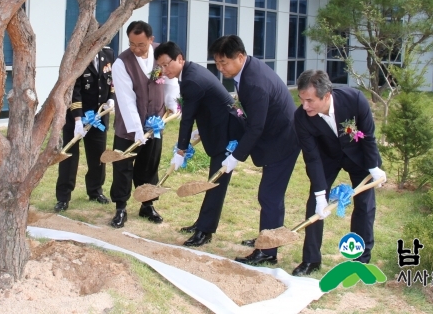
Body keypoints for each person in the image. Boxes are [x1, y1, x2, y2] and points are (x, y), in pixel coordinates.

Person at [210, 35, 300, 266]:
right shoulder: (247, 70)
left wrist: (235, 157)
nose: (220, 69)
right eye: (217, 63)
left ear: (240, 57)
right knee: (270, 196)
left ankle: (268, 252)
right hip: (276, 136)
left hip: (283, 140)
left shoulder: (254, 82)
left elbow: (256, 126)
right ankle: (267, 237)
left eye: (224, 63)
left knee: (269, 195)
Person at [292, 69, 386, 276]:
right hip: (326, 158)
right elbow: (312, 157)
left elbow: (368, 136)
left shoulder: (354, 100)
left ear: (326, 96)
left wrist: (373, 167)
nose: (304, 105)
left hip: (358, 156)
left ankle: (360, 260)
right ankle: (311, 260)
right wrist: (319, 194)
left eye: (309, 100)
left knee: (364, 205)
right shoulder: (301, 117)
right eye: (301, 99)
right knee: (314, 205)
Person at [154, 41, 245, 247]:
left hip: (227, 132)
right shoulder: (189, 73)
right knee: (213, 180)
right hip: (216, 127)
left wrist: (181, 150)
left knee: (215, 181)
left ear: (180, 59)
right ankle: (201, 223)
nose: (164, 70)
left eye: (166, 64)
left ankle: (205, 231)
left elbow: (187, 118)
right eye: (160, 66)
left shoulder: (191, 80)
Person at [109, 21, 179, 228]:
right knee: (122, 166)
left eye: (140, 44)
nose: (136, 49)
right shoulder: (122, 63)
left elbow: (170, 80)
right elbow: (125, 98)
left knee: (149, 165)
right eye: (132, 44)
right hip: (128, 125)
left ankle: (147, 205)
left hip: (155, 121)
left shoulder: (161, 55)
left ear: (151, 39)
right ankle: (120, 207)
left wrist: (171, 104)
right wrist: (136, 130)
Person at [54, 47, 115, 212]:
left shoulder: (108, 54)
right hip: (76, 116)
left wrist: (111, 98)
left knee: (98, 156)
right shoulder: (76, 56)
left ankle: (95, 191)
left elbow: (111, 80)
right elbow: (74, 90)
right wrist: (78, 120)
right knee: (69, 156)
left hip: (99, 115)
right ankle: (63, 197)